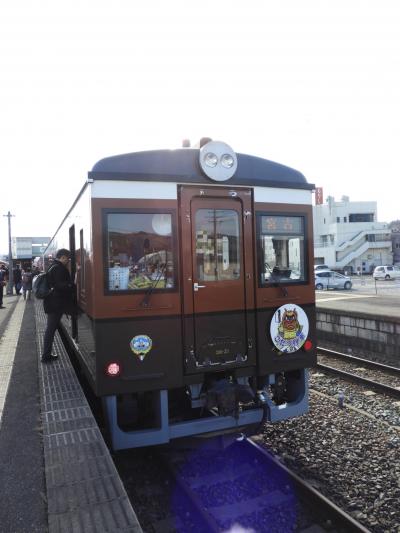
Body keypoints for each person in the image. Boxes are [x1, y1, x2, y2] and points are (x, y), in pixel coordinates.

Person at [41, 249, 75, 363]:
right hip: (56, 304)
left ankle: (46, 354)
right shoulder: (59, 268)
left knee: (51, 329)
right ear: (63, 257)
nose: (68, 261)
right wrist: (71, 284)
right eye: (68, 259)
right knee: (50, 330)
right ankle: (46, 356)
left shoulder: (52, 266)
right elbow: (60, 285)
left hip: (52, 303)